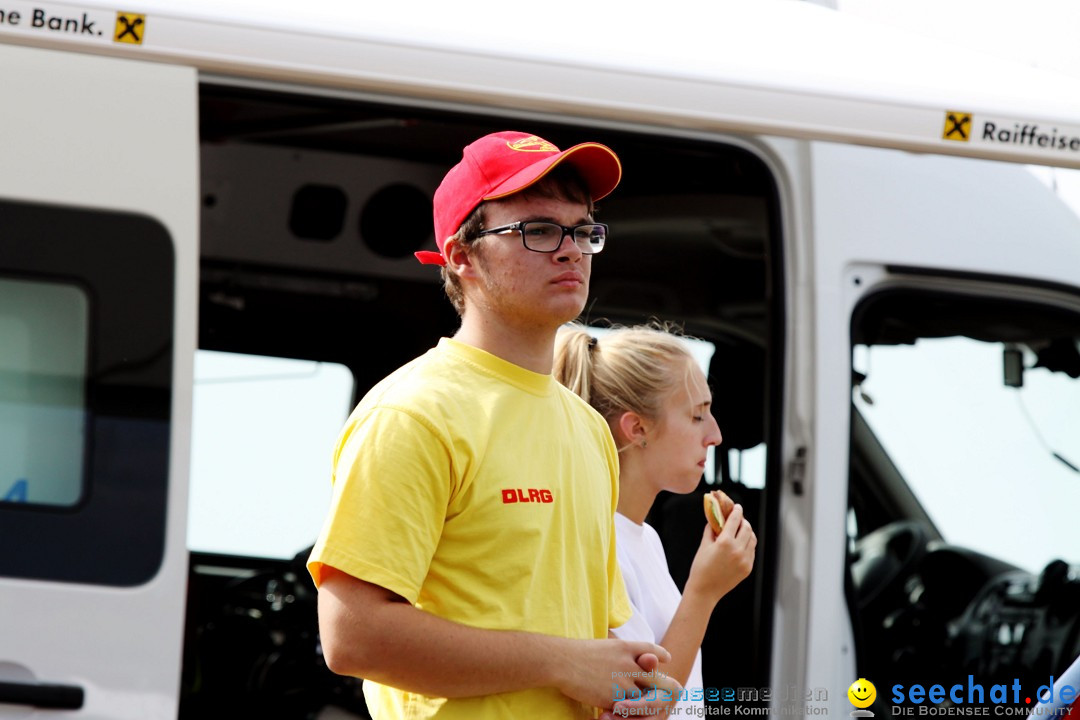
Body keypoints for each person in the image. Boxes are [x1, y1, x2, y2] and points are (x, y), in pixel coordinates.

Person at [307, 131, 680, 720]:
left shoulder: (588, 431)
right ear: (460, 255)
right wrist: (562, 664)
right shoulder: (413, 413)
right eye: (537, 230)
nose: (570, 250)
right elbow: (351, 636)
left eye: (583, 230)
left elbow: (584, 642)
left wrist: (629, 690)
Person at [554, 323, 758, 715]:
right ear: (638, 428)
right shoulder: (593, 542)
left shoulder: (644, 537)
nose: (715, 435)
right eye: (698, 416)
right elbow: (644, 708)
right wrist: (704, 592)